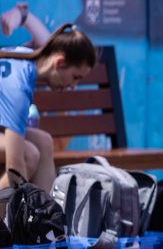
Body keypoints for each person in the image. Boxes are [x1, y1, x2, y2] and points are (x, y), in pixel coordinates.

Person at [0, 23, 96, 192]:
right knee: (27, 155)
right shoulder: (18, 86)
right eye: (75, 77)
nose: (73, 86)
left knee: (43, 142)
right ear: (59, 63)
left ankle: (46, 209)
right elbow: (14, 166)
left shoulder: (27, 58)